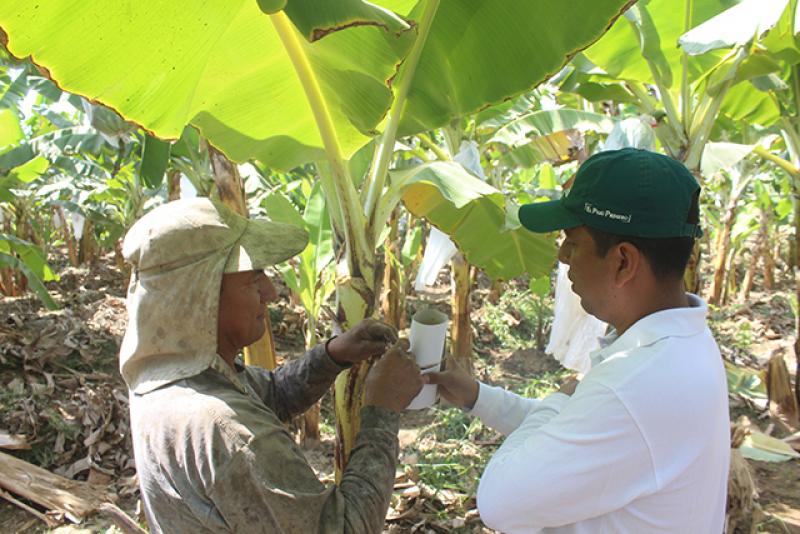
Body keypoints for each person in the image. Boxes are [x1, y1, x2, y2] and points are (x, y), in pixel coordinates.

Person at [425, 148, 730, 533]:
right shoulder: (680, 346)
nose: (563, 255)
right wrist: (476, 396)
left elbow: (499, 502)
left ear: (623, 262)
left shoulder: (638, 386)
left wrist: (561, 397)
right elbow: (573, 432)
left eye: (572, 240)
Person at [119, 197, 423, 533]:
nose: (270, 292)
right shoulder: (228, 431)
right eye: (253, 280)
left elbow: (270, 394)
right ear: (204, 297)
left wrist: (333, 355)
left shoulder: (167, 374)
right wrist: (382, 409)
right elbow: (347, 528)